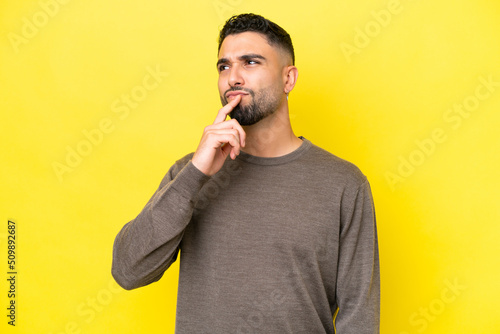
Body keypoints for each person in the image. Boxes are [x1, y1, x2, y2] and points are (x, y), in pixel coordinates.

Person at [112, 13, 380, 333]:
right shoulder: (189, 174)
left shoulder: (344, 184)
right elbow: (128, 271)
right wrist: (196, 174)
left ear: (288, 79)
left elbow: (359, 314)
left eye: (250, 62)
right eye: (224, 66)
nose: (233, 78)